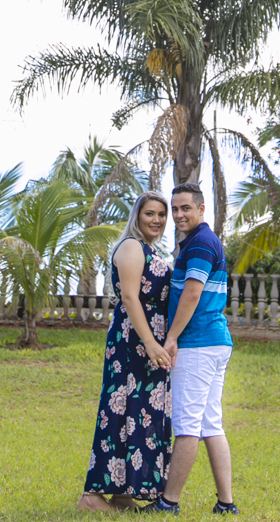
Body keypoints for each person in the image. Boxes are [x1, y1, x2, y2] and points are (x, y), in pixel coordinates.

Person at [144, 182, 238, 516]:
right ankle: (226, 503)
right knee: (211, 424)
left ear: (201, 209)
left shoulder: (200, 243)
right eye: (175, 209)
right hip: (215, 341)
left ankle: (168, 502)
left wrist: (171, 338)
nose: (179, 214)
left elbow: (193, 293)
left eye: (186, 208)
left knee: (186, 426)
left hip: (198, 343)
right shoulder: (202, 241)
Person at [79, 191, 174, 512]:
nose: (157, 220)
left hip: (148, 341)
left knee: (138, 413)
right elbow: (131, 298)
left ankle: (123, 494)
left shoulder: (151, 249)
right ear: (137, 216)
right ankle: (92, 497)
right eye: (150, 213)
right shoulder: (132, 246)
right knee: (121, 410)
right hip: (134, 342)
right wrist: (150, 343)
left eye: (161, 214)